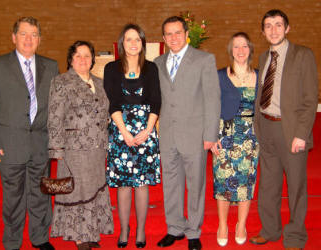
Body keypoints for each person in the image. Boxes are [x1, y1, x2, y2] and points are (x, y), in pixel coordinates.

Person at [0, 17, 58, 250]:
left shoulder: (51, 66)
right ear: (14, 37)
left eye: (33, 34)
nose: (28, 39)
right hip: (9, 144)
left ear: (39, 39)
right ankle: (12, 241)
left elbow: (55, 107)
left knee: (41, 195)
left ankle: (40, 238)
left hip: (40, 143)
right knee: (13, 198)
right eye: (23, 34)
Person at [249, 9, 318, 250]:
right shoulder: (263, 57)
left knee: (297, 186)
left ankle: (295, 237)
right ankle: (270, 230)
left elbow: (311, 99)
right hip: (266, 127)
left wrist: (301, 133)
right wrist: (258, 126)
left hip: (291, 131)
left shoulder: (302, 55)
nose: (273, 30)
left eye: (278, 25)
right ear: (263, 31)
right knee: (268, 184)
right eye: (268, 26)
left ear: (287, 28)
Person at [154, 16, 221, 250]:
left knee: (195, 184)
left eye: (177, 32)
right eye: (168, 34)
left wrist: (210, 134)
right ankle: (174, 228)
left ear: (186, 34)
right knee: (170, 184)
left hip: (195, 134)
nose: (173, 37)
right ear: (163, 38)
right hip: (168, 134)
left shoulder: (204, 60)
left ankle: (193, 231)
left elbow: (213, 99)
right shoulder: (158, 62)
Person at [48, 41, 114, 250]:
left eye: (87, 55)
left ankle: (91, 230)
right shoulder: (61, 82)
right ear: (70, 59)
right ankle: (79, 236)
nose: (83, 59)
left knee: (94, 188)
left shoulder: (100, 82)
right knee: (78, 190)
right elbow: (54, 116)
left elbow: (105, 111)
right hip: (74, 148)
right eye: (78, 55)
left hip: (97, 147)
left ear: (93, 59)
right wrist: (56, 149)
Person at [103, 23, 161, 249]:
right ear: (121, 43)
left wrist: (148, 130)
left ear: (143, 43)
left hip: (146, 128)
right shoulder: (111, 68)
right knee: (124, 184)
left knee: (142, 184)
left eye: (137, 39)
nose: (133, 43)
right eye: (129, 39)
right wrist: (125, 132)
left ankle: (141, 229)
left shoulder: (151, 69)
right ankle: (124, 228)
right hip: (120, 130)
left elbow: (156, 101)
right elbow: (112, 102)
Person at [211, 32, 259, 247]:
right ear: (231, 50)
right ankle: (223, 225)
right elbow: (210, 108)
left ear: (250, 49)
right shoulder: (220, 75)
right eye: (236, 47)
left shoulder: (260, 75)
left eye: (244, 46)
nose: (240, 51)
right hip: (225, 135)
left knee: (246, 183)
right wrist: (211, 137)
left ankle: (241, 224)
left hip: (251, 136)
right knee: (223, 181)